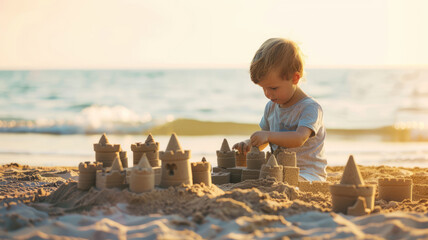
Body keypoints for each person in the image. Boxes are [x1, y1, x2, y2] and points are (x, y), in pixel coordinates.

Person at [232, 38, 327, 182]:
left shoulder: (310, 108)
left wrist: (268, 135)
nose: (268, 94)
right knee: (257, 177)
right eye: (263, 88)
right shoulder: (271, 106)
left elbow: (299, 138)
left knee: (279, 182)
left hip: (308, 174)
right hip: (277, 170)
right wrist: (250, 144)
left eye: (273, 88)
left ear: (295, 78)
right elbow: (265, 140)